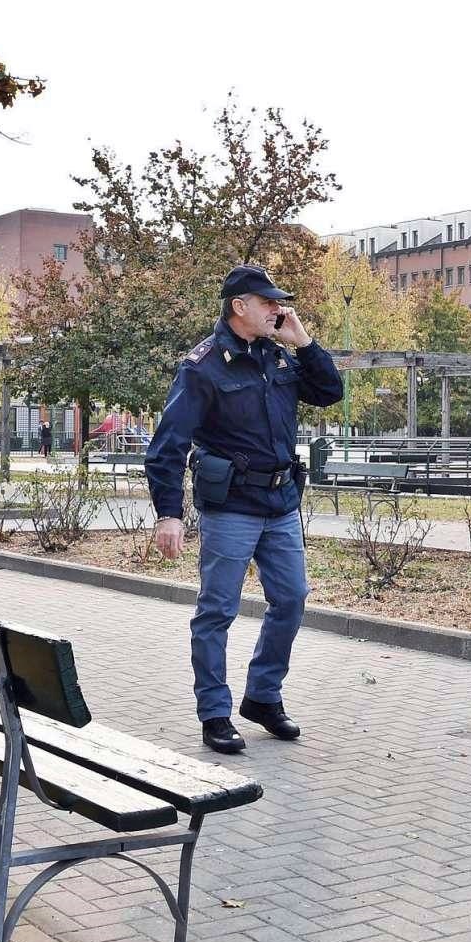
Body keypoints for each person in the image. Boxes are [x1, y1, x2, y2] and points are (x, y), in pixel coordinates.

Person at [145, 264, 344, 754]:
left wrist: (306, 344)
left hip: (280, 503)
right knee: (217, 611)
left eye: (279, 302)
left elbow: (329, 393)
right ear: (240, 307)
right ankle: (215, 712)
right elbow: (167, 444)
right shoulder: (204, 365)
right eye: (268, 302)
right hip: (231, 505)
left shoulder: (276, 358)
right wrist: (168, 513)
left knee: (292, 598)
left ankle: (262, 697)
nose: (279, 309)